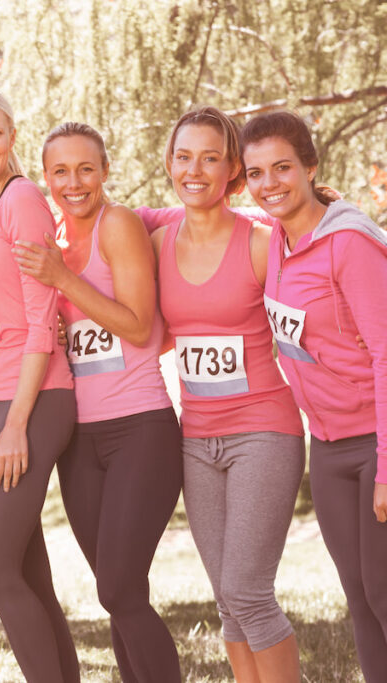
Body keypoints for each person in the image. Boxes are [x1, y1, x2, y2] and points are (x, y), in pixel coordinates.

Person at [12, 122, 182, 681]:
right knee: (119, 592)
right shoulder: (52, 242)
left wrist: (65, 278)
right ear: (45, 178)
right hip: (79, 440)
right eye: (60, 171)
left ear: (105, 171)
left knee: (118, 587)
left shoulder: (119, 226)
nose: (74, 181)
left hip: (140, 428)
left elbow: (139, 329)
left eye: (86, 168)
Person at [153, 106, 304, 682]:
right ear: (169, 164)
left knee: (248, 592)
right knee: (227, 600)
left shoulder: (264, 243)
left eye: (210, 158)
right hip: (196, 440)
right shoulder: (158, 239)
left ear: (233, 169)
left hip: (264, 432)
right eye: (184, 157)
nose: (195, 169)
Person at [241, 110, 387, 682]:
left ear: (310, 167)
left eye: (282, 168)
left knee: (383, 593)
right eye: (255, 173)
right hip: (327, 447)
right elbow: (182, 212)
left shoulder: (349, 243)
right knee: (361, 598)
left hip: (376, 439)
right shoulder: (274, 240)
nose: (270, 183)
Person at [0, 87, 79, 683]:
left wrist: (17, 424)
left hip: (31, 402)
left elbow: (41, 318)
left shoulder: (22, 200)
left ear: (12, 137)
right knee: (28, 573)